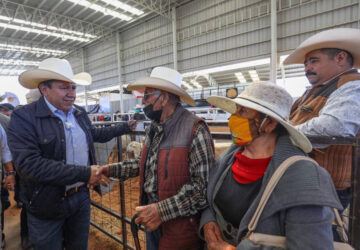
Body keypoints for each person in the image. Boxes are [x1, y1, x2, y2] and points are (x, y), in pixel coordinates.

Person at [7, 57, 136, 250]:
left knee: (78, 246)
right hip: (46, 202)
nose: (71, 94)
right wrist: (85, 174)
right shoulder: (24, 117)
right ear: (44, 89)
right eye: (63, 88)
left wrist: (123, 127)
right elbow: (30, 165)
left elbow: (94, 134)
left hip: (80, 197)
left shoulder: (79, 113)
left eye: (73, 88)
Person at [199, 81, 342, 249]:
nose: (233, 119)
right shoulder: (228, 158)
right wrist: (208, 223)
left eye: (243, 111)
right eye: (235, 110)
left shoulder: (305, 179)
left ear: (270, 123)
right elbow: (210, 201)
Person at [98, 67, 215, 250]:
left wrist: (161, 210)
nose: (143, 101)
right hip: (152, 219)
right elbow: (145, 164)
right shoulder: (154, 128)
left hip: (180, 229)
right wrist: (110, 169)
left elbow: (202, 189)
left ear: (164, 97)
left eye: (148, 96)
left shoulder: (195, 129)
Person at [284, 28, 360, 216]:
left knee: (316, 234)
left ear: (340, 59)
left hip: (327, 185)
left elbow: (335, 126)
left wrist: (284, 131)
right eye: (306, 63)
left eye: (314, 61)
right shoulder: (314, 91)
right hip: (308, 178)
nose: (307, 68)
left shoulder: (352, 86)